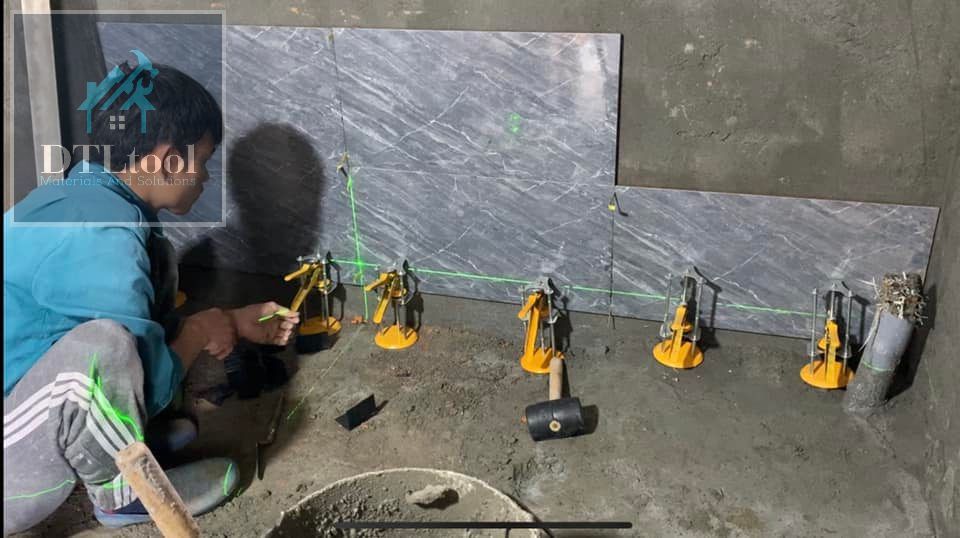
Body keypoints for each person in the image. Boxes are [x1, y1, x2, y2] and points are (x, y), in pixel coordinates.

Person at [3, 62, 299, 534]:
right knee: (104, 348)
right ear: (169, 162)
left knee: (150, 293)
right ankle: (123, 493)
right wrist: (201, 329)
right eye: (204, 160)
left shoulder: (84, 195)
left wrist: (228, 321)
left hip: (19, 409)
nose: (205, 177)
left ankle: (114, 447)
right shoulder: (105, 236)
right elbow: (144, 381)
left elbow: (144, 329)